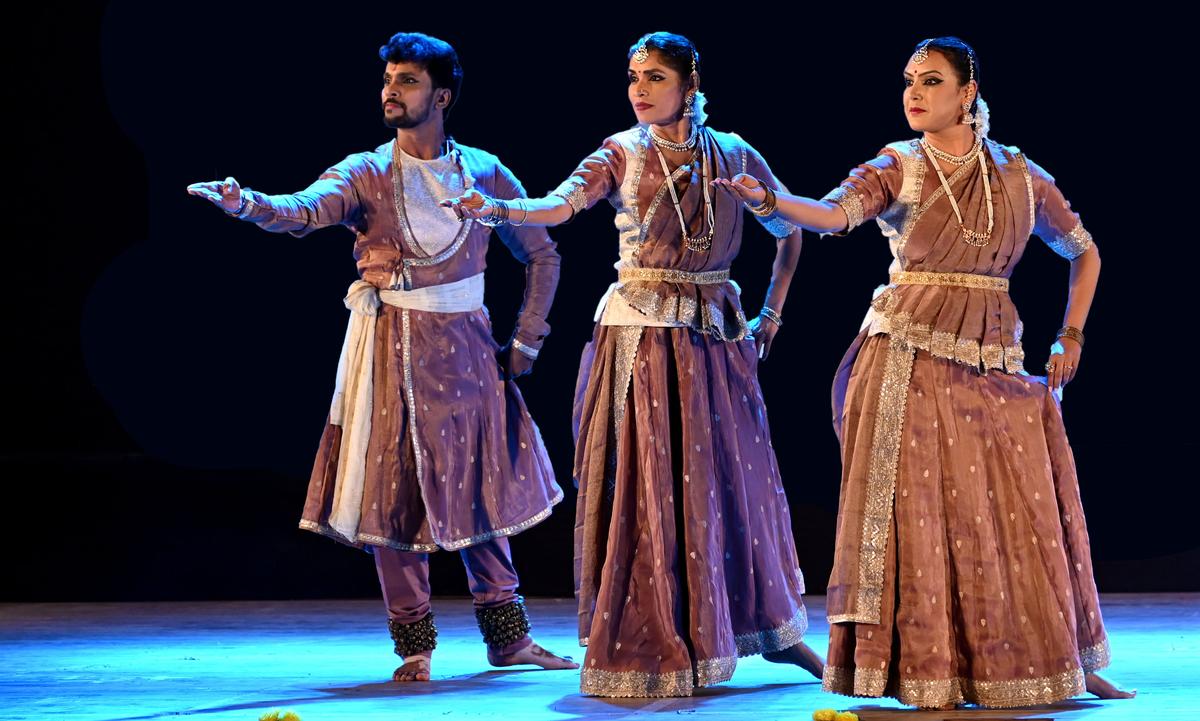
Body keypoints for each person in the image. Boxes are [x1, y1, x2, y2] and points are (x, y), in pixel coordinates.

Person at [715, 36, 1133, 709]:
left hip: (993, 360)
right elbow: (830, 215)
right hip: (907, 359)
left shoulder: (1020, 175)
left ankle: (1056, 662)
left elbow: (1084, 252)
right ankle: (927, 670)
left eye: (931, 81)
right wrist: (770, 202)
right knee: (922, 520)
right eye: (909, 80)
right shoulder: (898, 165)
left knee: (1012, 511)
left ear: (968, 94)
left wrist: (1072, 334)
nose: (914, 92)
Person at [187, 31, 577, 683]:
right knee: (392, 494)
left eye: (407, 82)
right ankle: (413, 643)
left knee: (479, 490)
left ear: (443, 95)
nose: (390, 92)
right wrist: (247, 203)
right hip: (391, 351)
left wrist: (528, 337)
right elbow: (304, 210)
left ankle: (508, 638)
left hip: (469, 354)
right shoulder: (366, 171)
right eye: (388, 80)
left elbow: (542, 252)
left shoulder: (484, 172)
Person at [442, 31, 824, 698]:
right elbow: (559, 205)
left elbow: (789, 229)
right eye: (632, 78)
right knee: (650, 487)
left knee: (736, 483)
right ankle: (656, 637)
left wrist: (772, 316)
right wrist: (499, 208)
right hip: (642, 341)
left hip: (716, 342)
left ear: (689, 85)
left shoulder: (732, 153)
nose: (639, 89)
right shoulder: (620, 152)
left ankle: (770, 630)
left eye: (653, 77)